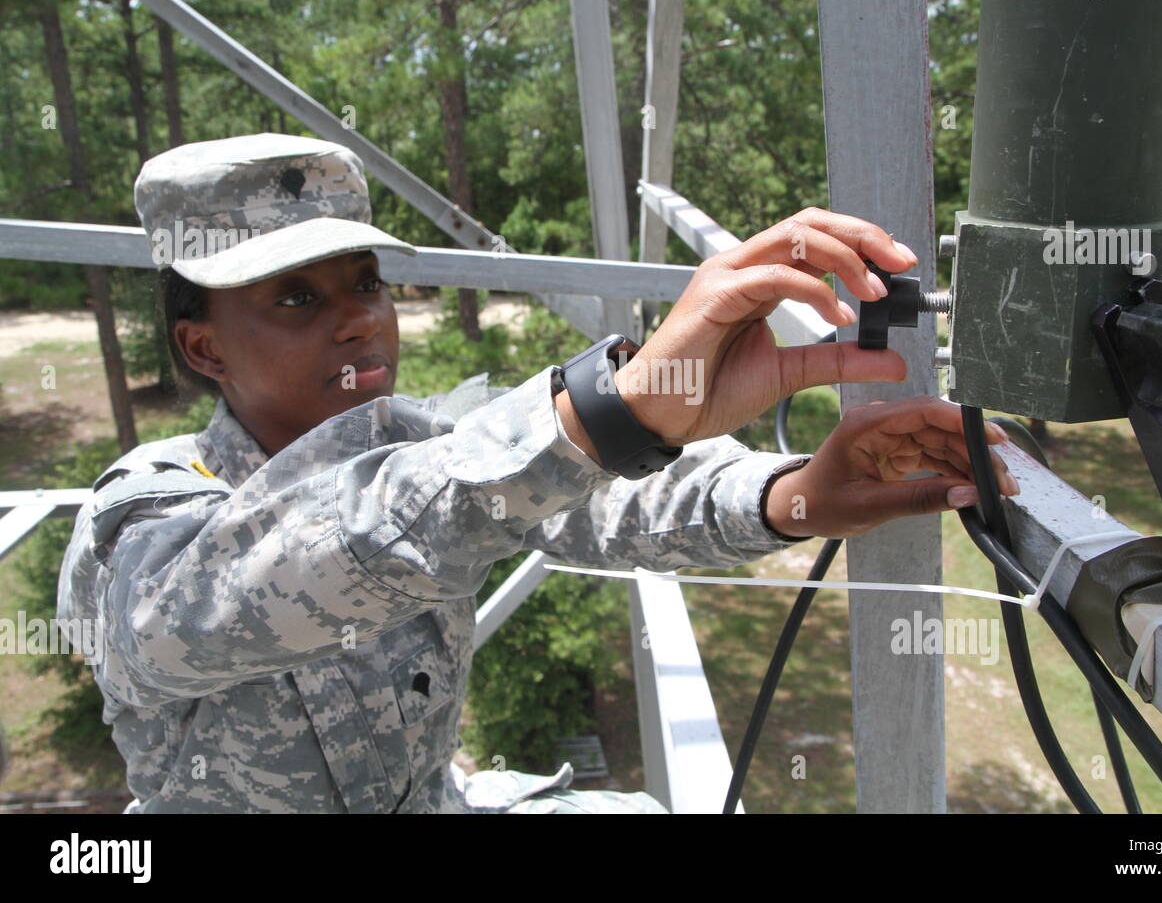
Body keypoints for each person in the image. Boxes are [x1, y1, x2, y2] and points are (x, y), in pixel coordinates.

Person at [56, 132, 1017, 813]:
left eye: (367, 283)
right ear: (203, 347)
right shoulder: (148, 514)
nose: (359, 320)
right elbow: (226, 598)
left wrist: (795, 493)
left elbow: (599, 505)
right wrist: (610, 409)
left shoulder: (429, 444)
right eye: (297, 298)